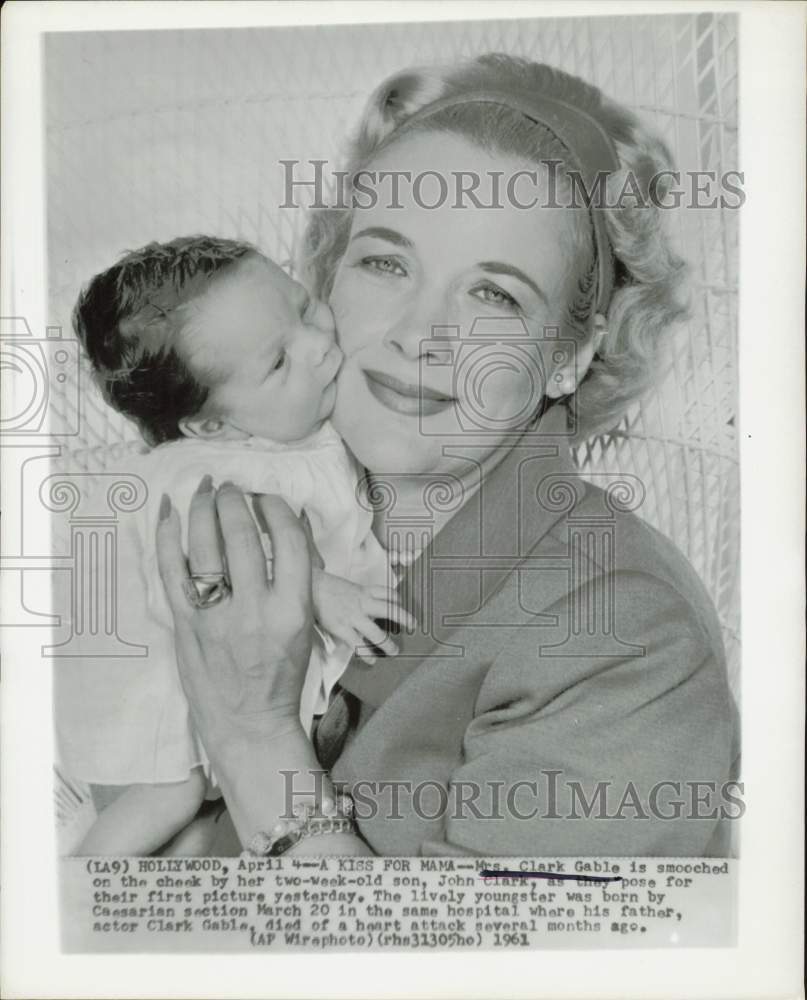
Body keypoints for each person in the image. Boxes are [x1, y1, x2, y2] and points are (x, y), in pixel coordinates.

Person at [154, 54, 739, 858]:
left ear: (569, 355)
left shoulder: (628, 639)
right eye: (385, 262)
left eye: (494, 294)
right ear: (324, 279)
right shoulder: (243, 500)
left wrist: (253, 736)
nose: (419, 335)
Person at [58, 235, 412, 856]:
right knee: (171, 797)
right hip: (144, 686)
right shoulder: (200, 468)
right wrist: (319, 590)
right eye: (278, 362)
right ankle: (68, 899)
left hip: (219, 684)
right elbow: (221, 548)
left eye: (304, 309)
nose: (319, 345)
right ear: (211, 424)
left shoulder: (292, 425)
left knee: (200, 824)